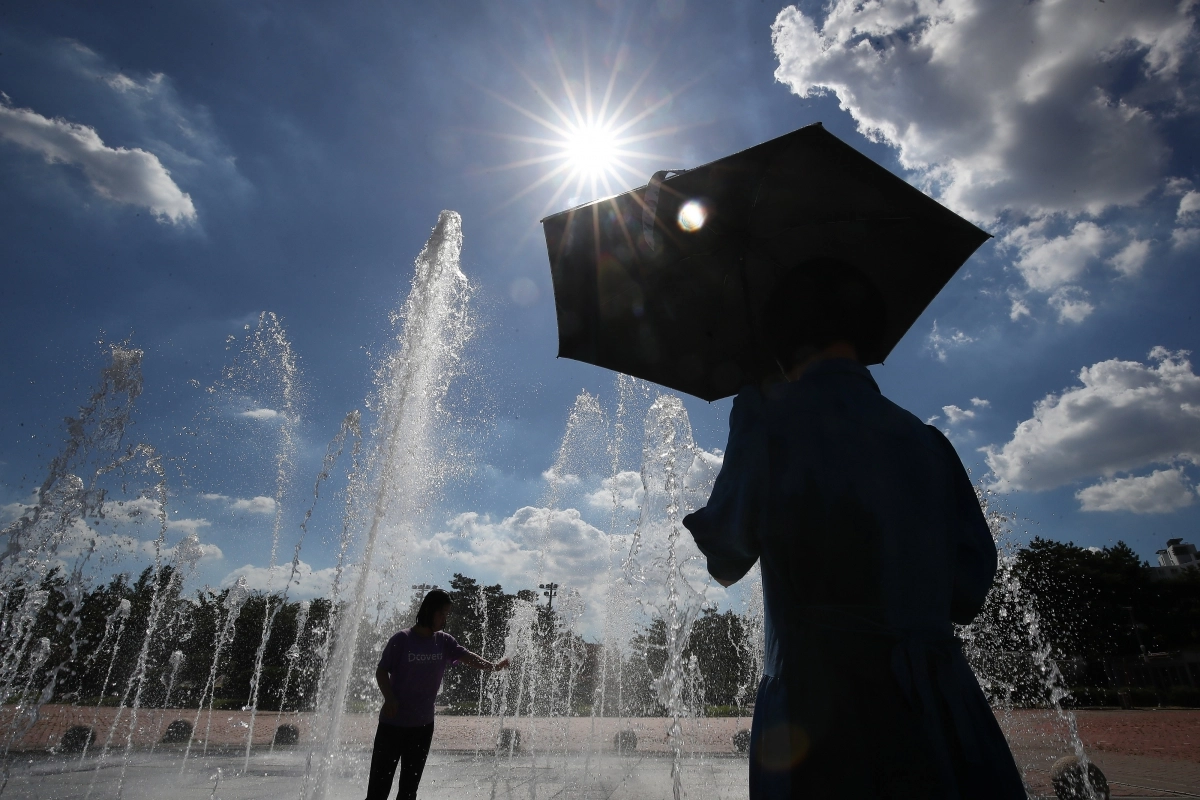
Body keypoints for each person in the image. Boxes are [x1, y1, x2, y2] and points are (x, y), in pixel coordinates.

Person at [682, 260, 1025, 799]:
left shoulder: (766, 418)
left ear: (781, 341)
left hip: (821, 712)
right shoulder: (928, 441)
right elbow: (966, 592)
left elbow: (727, 551)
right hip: (941, 710)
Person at [365, 587, 510, 800]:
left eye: (447, 614)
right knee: (378, 788)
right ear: (429, 610)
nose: (444, 618)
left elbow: (467, 656)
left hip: (422, 727)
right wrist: (389, 697)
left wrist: (494, 666)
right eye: (442, 613)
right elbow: (381, 671)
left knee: (408, 789)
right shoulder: (402, 639)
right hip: (392, 725)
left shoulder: (443, 641)